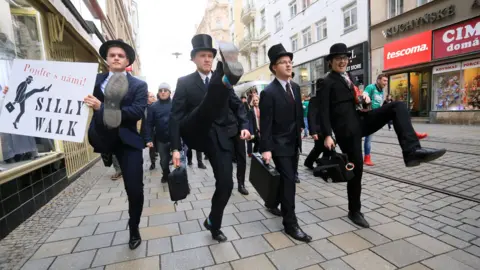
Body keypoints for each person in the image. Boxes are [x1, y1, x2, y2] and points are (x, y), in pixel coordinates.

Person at [317, 43, 446, 228]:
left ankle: (412, 151)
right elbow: (322, 110)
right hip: (346, 131)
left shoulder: (348, 76)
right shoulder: (326, 81)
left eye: (345, 58)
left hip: (362, 119)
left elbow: (353, 100)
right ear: (330, 62)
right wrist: (327, 135)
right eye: (338, 58)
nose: (342, 61)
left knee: (397, 106)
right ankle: (354, 210)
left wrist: (363, 99)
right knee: (357, 170)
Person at [170, 35, 249, 242]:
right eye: (202, 56)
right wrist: (176, 148)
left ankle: (214, 222)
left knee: (226, 184)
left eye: (210, 56)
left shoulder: (224, 80)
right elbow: (175, 117)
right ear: (194, 59)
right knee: (205, 103)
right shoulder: (185, 83)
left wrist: (245, 126)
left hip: (222, 138)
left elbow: (237, 105)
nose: (207, 59)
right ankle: (215, 225)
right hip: (199, 133)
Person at [84, 39, 147, 250]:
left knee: (135, 189)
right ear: (106, 59)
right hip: (102, 137)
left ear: (127, 60)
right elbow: (66, 94)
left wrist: (103, 107)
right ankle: (107, 155)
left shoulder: (139, 85)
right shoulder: (92, 81)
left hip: (127, 141)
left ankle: (134, 227)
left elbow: (136, 113)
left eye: (121, 55)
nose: (117, 58)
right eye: (112, 55)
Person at [260, 43, 311, 242]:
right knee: (290, 183)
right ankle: (290, 224)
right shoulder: (269, 92)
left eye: (290, 62)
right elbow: (265, 124)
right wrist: (266, 149)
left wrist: (302, 130)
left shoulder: (296, 88)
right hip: (278, 145)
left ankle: (272, 203)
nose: (289, 65)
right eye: (283, 62)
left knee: (285, 180)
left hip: (294, 144)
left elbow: (298, 113)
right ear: (274, 67)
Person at [145, 83, 173, 183]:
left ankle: (180, 177)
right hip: (161, 139)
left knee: (179, 160)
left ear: (169, 92)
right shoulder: (153, 107)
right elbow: (148, 124)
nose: (163, 92)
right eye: (161, 90)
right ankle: (166, 174)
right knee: (164, 160)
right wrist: (148, 139)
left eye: (165, 90)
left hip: (176, 138)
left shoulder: (176, 104)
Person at [304, 77, 328, 169]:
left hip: (325, 128)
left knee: (323, 147)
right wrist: (313, 131)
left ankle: (320, 163)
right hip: (318, 129)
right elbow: (311, 116)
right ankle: (312, 162)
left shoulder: (326, 98)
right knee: (320, 147)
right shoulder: (314, 100)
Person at [146, 91, 157, 170]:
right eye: (151, 96)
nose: (153, 98)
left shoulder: (157, 106)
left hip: (158, 130)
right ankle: (153, 163)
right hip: (150, 131)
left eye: (153, 96)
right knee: (152, 148)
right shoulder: (145, 108)